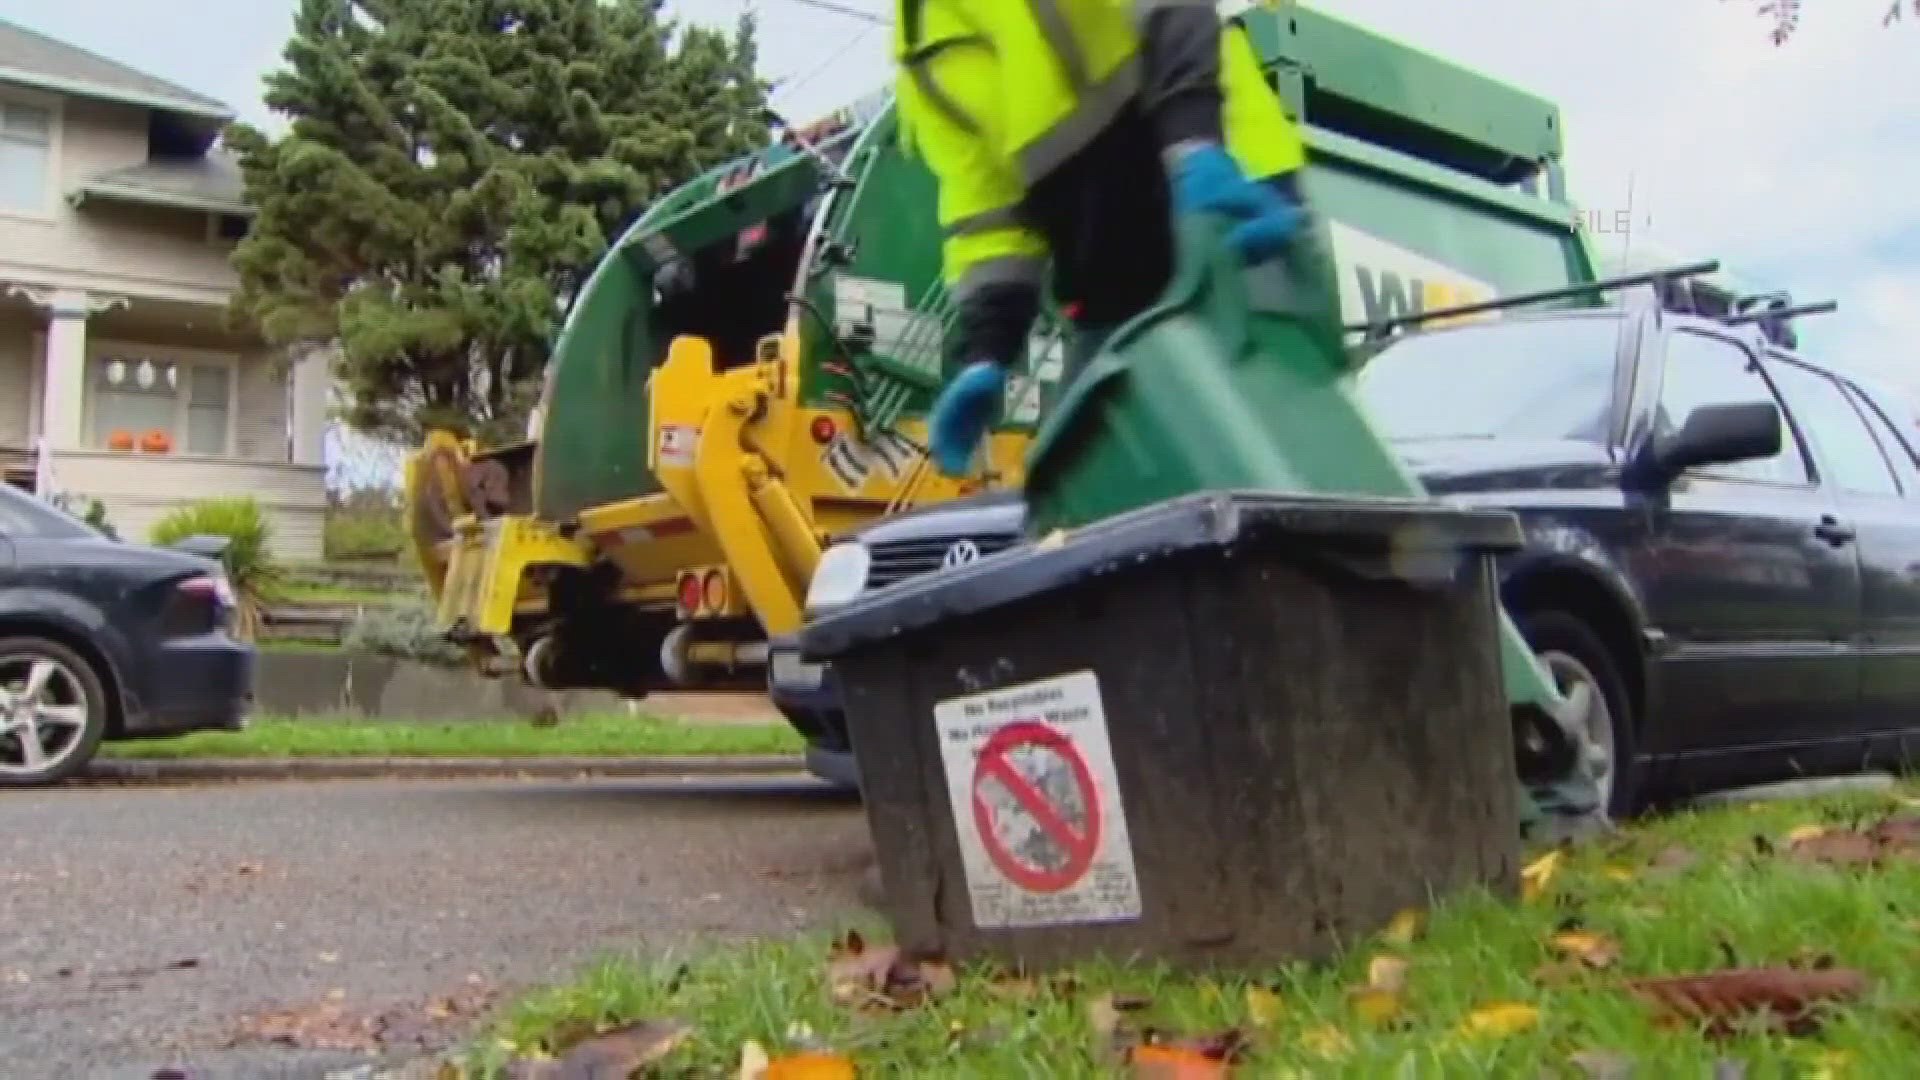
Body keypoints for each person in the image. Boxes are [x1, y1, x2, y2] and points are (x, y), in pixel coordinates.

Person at [893, 0, 1311, 477]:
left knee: (1271, 454)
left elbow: (1173, 9)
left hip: (1229, 199)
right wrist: (986, 351)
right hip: (1111, 274)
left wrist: (1196, 148)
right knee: (1088, 485)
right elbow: (988, 215)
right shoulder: (921, 50)